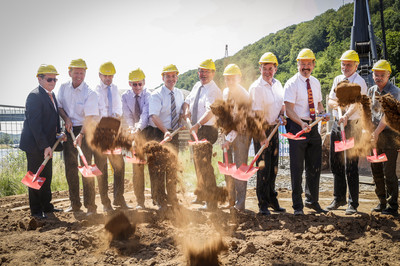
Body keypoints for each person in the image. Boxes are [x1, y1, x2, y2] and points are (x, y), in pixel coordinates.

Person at [283, 48, 328, 215]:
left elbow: (319, 105)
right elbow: (289, 110)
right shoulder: (291, 83)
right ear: (298, 65)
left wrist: (323, 115)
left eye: (308, 64)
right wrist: (301, 123)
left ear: (313, 65)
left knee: (314, 166)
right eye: (302, 64)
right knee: (297, 168)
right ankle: (297, 206)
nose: (305, 67)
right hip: (296, 127)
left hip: (313, 127)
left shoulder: (315, 82)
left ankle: (312, 201)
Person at [20, 64, 64, 219]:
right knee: (35, 177)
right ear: (39, 78)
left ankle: (47, 207)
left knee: (47, 176)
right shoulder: (34, 96)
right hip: (35, 145)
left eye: (55, 79)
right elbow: (35, 125)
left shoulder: (51, 95)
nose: (53, 82)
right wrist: (45, 145)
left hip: (47, 145)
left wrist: (58, 135)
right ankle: (37, 211)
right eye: (49, 79)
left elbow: (52, 120)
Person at [326, 50, 367, 215]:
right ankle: (339, 198)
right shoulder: (337, 79)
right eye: (343, 63)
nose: (345, 67)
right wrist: (337, 107)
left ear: (356, 65)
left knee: (351, 165)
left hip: (353, 125)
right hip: (338, 125)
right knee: (336, 163)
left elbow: (356, 104)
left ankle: (353, 203)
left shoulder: (360, 82)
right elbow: (330, 100)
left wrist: (346, 115)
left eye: (349, 64)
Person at [57, 58, 100, 216]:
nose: (79, 76)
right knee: (70, 168)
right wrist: (66, 118)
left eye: (82, 73)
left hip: (85, 129)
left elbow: (89, 118)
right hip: (69, 129)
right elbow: (60, 106)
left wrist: (81, 134)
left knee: (86, 167)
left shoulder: (90, 93)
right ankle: (75, 204)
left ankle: (91, 206)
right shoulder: (62, 88)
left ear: (85, 74)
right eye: (76, 73)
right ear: (70, 73)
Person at [182, 59, 223, 211]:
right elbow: (187, 101)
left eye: (207, 71)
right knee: (197, 164)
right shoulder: (197, 86)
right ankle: (201, 195)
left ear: (213, 73)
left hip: (206, 129)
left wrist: (197, 124)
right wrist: (186, 109)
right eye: (201, 71)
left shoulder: (214, 90)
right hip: (195, 129)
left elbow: (211, 110)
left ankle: (211, 201)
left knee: (205, 165)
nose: (203, 74)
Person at [249, 52, 286, 215]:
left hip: (274, 128)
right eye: (264, 68)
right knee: (263, 168)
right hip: (261, 130)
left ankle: (272, 199)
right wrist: (263, 137)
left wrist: (282, 116)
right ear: (260, 68)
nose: (267, 72)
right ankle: (262, 203)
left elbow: (281, 105)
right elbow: (256, 115)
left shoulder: (278, 84)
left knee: (274, 168)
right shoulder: (256, 87)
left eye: (270, 68)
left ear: (275, 69)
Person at [95, 61, 130, 212]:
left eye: (111, 75)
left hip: (114, 131)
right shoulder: (95, 91)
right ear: (100, 75)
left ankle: (119, 198)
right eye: (105, 75)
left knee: (119, 166)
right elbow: (99, 111)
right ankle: (105, 202)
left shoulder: (115, 89)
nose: (108, 78)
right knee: (102, 168)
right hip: (100, 132)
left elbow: (117, 108)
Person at [148, 64, 184, 209]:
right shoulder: (156, 94)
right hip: (160, 133)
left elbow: (182, 109)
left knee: (172, 166)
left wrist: (184, 113)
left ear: (177, 77)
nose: (171, 79)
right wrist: (165, 131)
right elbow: (154, 116)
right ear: (162, 77)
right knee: (159, 167)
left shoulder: (179, 93)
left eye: (173, 76)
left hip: (174, 133)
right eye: (168, 76)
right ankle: (159, 198)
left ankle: (172, 197)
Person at [368, 59, 400, 217]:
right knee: (376, 169)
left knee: (389, 171)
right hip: (375, 133)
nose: (378, 77)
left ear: (388, 75)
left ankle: (392, 204)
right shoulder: (372, 90)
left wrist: (376, 133)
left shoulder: (394, 92)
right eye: (376, 74)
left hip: (389, 135)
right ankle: (381, 201)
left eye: (382, 75)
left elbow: (387, 117)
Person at [221, 64, 251, 212]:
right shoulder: (225, 92)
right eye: (227, 79)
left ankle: (240, 203)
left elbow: (240, 123)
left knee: (239, 168)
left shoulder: (244, 96)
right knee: (228, 168)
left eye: (233, 79)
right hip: (228, 134)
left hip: (241, 134)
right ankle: (230, 200)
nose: (230, 81)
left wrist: (229, 139)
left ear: (239, 78)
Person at [122, 68, 150, 210]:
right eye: (134, 84)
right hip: (133, 132)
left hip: (147, 132)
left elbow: (145, 114)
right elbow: (127, 115)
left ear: (144, 82)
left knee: (152, 167)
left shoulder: (148, 95)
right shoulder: (125, 97)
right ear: (130, 84)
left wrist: (137, 129)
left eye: (140, 84)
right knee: (137, 168)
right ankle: (140, 201)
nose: (137, 87)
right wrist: (132, 129)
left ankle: (158, 198)